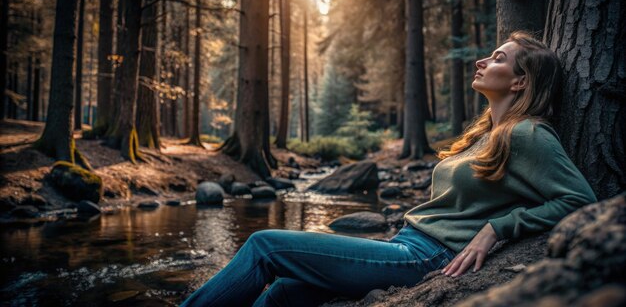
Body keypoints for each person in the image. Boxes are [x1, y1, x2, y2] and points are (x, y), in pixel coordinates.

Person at [180, 32, 598, 307]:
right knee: (284, 293)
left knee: (264, 246)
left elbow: (580, 200)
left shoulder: (529, 134)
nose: (481, 62)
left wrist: (498, 228)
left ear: (521, 81)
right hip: (407, 243)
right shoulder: (486, 133)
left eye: (497, 58)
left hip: (424, 256)